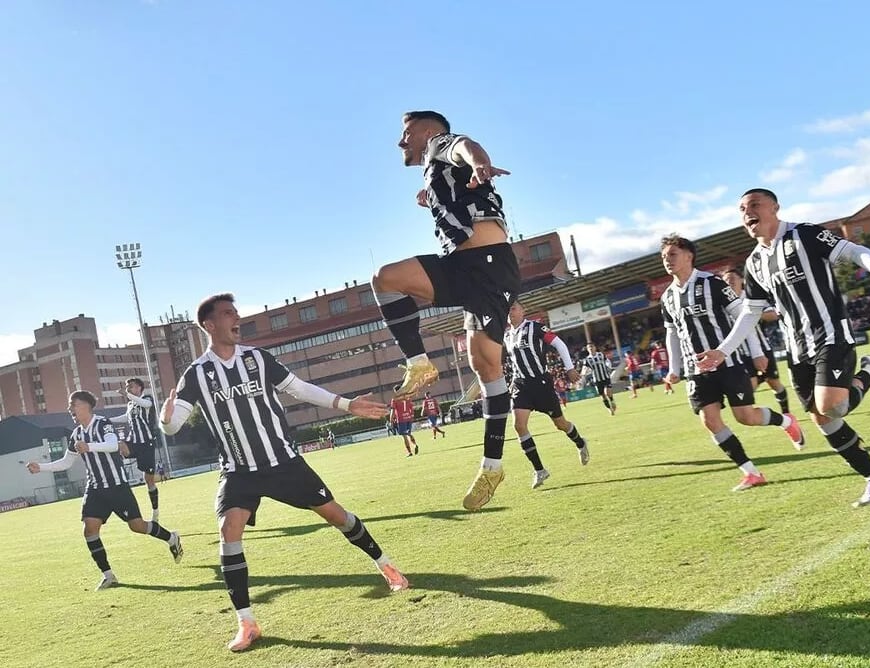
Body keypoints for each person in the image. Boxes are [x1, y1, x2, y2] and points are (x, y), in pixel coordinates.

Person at [159, 293, 407, 652]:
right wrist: (165, 420)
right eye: (229, 313)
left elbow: (300, 389)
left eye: (236, 312)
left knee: (337, 516)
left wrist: (346, 403)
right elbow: (174, 424)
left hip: (284, 462)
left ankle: (386, 566)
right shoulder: (196, 374)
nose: (237, 317)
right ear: (210, 325)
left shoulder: (258, 359)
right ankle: (247, 623)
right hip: (238, 471)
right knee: (229, 531)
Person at [698, 188, 870, 506]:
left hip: (831, 334)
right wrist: (723, 350)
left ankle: (869, 372)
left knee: (831, 404)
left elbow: (854, 252)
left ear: (775, 207)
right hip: (796, 348)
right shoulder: (754, 263)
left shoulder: (804, 235)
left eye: (754, 205)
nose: (747, 212)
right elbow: (750, 312)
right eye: (741, 209)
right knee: (824, 419)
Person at [373, 110, 521, 511]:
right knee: (386, 279)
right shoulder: (435, 174)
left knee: (487, 367)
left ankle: (492, 466)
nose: (401, 142)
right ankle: (419, 363)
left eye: (406, 133)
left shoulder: (443, 144)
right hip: (462, 266)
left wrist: (478, 162)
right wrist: (435, 200)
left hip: (489, 268)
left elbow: (463, 146)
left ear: (427, 131)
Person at [659, 234, 806, 492]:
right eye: (664, 256)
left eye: (672, 254)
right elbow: (672, 333)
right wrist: (674, 369)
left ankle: (786, 422)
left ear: (688, 256)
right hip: (696, 372)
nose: (667, 260)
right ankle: (751, 473)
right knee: (709, 420)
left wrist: (757, 351)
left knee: (746, 417)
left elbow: (743, 316)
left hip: (729, 363)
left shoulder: (712, 283)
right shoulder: (667, 297)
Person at [25, 391, 182, 591]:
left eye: (74, 404)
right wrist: (42, 467)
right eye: (70, 405)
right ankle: (108, 575)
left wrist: (89, 446)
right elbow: (66, 462)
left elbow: (111, 445)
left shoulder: (103, 424)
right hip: (95, 489)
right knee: (89, 529)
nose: (70, 408)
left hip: (116, 486)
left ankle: (171, 538)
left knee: (137, 526)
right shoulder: (76, 434)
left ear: (86, 405)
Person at [504, 300, 588, 489]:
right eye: (507, 310)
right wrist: (512, 381)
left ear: (522, 310)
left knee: (560, 424)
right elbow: (515, 362)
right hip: (521, 386)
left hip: (541, 384)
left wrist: (569, 368)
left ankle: (581, 443)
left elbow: (559, 344)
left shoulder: (534, 327)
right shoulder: (507, 336)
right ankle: (540, 470)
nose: (510, 312)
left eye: (513, 308)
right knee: (519, 426)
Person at [720, 267, 791, 414]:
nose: (729, 282)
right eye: (726, 280)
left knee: (775, 383)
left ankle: (786, 413)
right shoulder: (723, 304)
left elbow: (773, 314)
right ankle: (768, 417)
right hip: (741, 353)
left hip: (762, 349)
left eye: (732, 278)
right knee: (749, 389)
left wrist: (750, 315)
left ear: (741, 280)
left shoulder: (751, 298)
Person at [110, 377, 162, 521]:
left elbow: (146, 404)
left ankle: (155, 511)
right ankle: (117, 475)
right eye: (127, 387)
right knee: (119, 444)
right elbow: (126, 418)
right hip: (134, 441)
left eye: (130, 386)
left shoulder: (146, 399)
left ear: (139, 387)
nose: (128, 389)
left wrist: (127, 395)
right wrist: (108, 420)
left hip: (146, 443)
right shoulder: (131, 404)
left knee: (149, 480)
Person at [580, 342, 617, 415]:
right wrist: (583, 373)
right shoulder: (587, 359)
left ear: (595, 347)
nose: (590, 348)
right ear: (587, 349)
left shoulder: (600, 355)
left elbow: (607, 361)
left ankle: (612, 401)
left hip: (605, 377)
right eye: (589, 347)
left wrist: (609, 367)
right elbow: (584, 368)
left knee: (607, 392)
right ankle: (609, 409)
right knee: (602, 396)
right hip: (597, 379)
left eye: (592, 346)